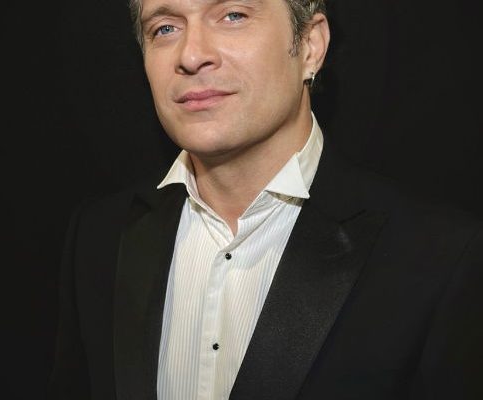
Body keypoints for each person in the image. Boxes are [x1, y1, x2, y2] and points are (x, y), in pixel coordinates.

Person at [48, 0, 483, 399]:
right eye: (165, 28)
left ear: (310, 46)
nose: (191, 55)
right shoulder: (99, 237)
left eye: (233, 15)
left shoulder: (439, 258)